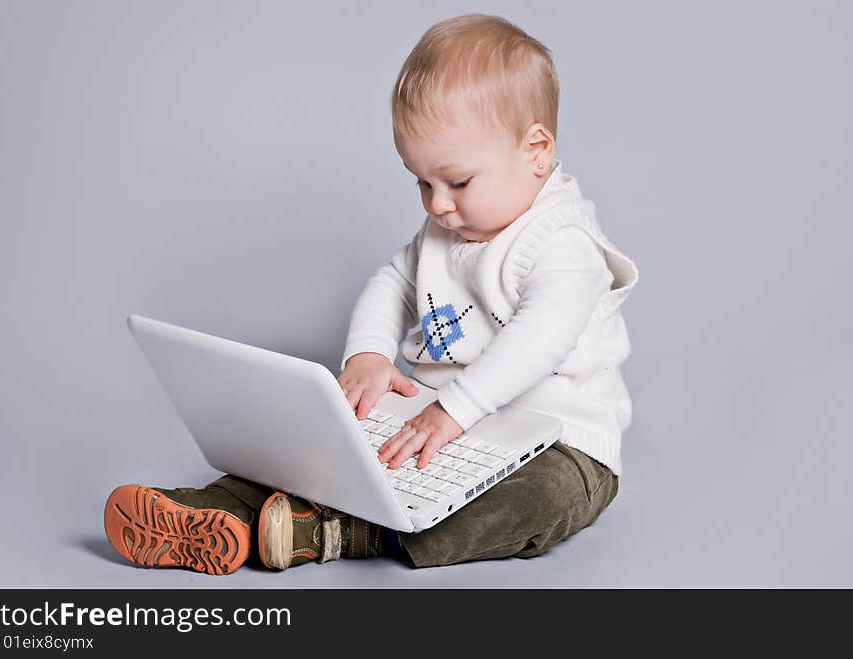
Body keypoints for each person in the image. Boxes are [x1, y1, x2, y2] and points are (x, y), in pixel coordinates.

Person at [103, 13, 639, 575]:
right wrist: (370, 356)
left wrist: (454, 411)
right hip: (434, 421)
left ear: (535, 150)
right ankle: (221, 510)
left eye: (457, 182)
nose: (436, 204)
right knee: (318, 443)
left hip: (555, 440)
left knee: (542, 499)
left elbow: (541, 338)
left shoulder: (563, 242)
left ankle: (330, 531)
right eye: (421, 182)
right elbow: (393, 281)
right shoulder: (447, 228)